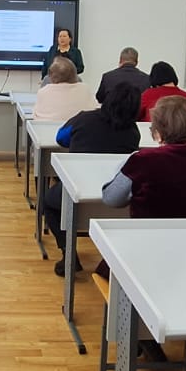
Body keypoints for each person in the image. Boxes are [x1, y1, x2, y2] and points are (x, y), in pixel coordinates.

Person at [102, 99, 186, 369]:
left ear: (157, 130)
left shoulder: (143, 161)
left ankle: (142, 336)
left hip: (147, 259)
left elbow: (111, 199)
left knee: (107, 269)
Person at [45, 83, 143, 269]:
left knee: (49, 202)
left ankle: (68, 252)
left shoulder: (83, 119)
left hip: (77, 188)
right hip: (114, 195)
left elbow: (60, 138)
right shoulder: (132, 132)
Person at [32, 56, 97, 123]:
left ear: (51, 76)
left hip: (46, 129)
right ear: (75, 74)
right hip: (80, 129)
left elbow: (35, 115)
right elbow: (95, 110)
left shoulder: (43, 92)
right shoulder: (85, 89)